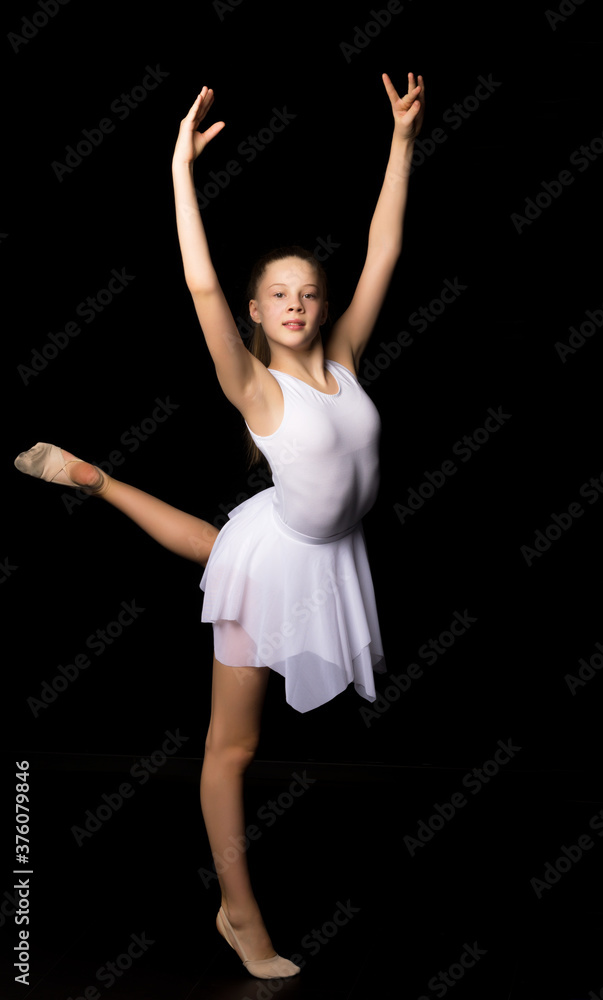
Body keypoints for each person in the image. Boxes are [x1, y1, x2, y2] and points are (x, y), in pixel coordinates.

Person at [14, 73, 425, 979]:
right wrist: (178, 174)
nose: (294, 304)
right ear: (255, 311)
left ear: (321, 304)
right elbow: (199, 284)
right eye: (276, 294)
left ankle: (97, 480)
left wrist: (400, 144)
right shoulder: (256, 387)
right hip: (287, 545)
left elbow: (384, 248)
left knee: (223, 547)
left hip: (318, 546)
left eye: (307, 293)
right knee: (231, 745)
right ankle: (239, 915)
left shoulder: (344, 356)